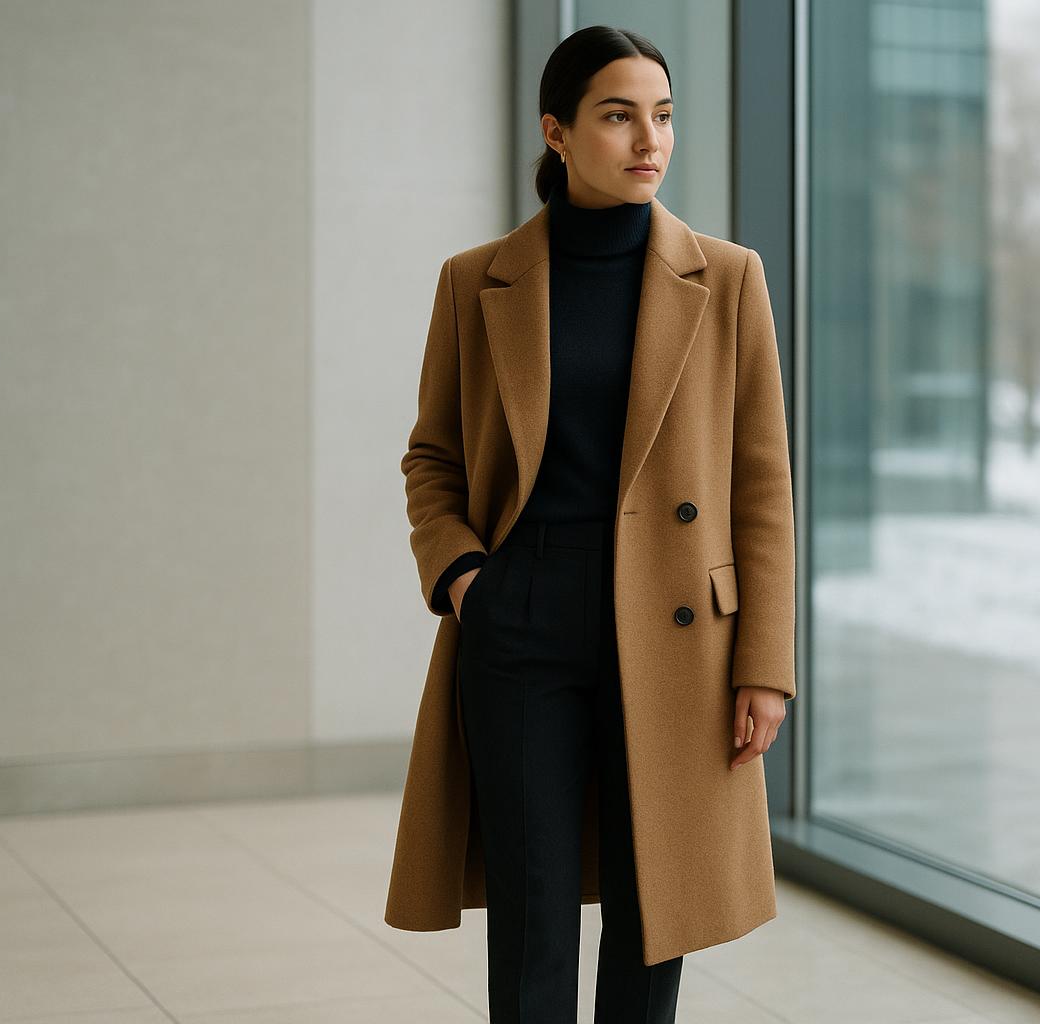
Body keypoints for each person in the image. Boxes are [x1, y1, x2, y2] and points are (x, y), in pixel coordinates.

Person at [389, 24, 796, 1024]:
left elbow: (762, 489)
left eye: (662, 116)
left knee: (656, 909)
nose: (647, 140)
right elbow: (432, 456)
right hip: (523, 618)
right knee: (531, 920)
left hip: (677, 630)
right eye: (618, 116)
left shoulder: (728, 277)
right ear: (558, 132)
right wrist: (466, 578)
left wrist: (765, 665)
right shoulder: (476, 281)